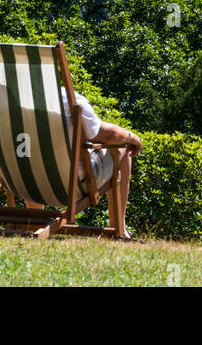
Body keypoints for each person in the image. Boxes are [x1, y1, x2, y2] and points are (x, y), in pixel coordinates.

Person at [61, 87, 142, 238]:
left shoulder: (9, 102)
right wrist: (130, 136)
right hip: (72, 184)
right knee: (123, 149)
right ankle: (119, 230)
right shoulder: (67, 98)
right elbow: (110, 135)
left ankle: (31, 220)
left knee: (27, 157)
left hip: (25, 184)